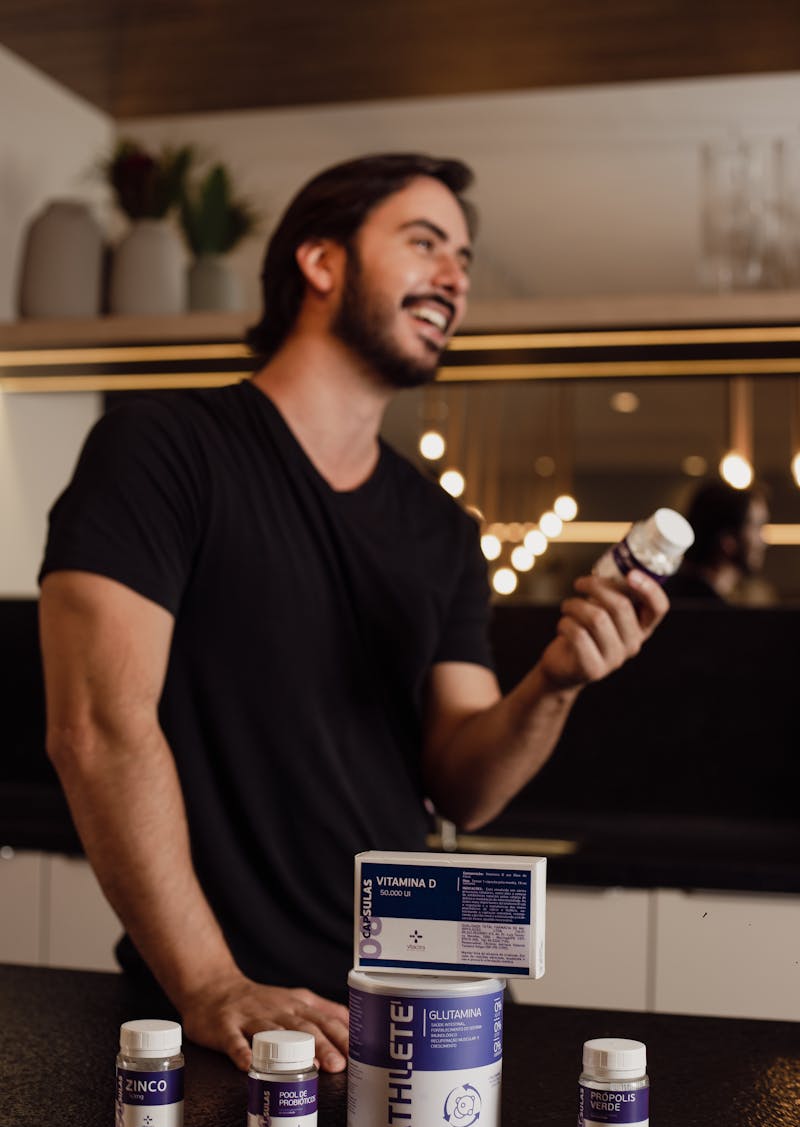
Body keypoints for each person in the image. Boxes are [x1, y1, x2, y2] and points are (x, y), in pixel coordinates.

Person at [38, 153, 668, 1076]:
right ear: (321, 262)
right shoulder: (162, 452)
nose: (455, 276)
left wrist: (556, 684)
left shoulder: (442, 529)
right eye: (424, 243)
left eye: (464, 256)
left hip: (429, 1003)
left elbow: (464, 787)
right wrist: (213, 984)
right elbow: (96, 727)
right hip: (234, 1015)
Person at [665, 480, 769, 604]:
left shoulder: (671, 593)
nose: (763, 542)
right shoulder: (710, 611)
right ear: (727, 540)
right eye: (756, 527)